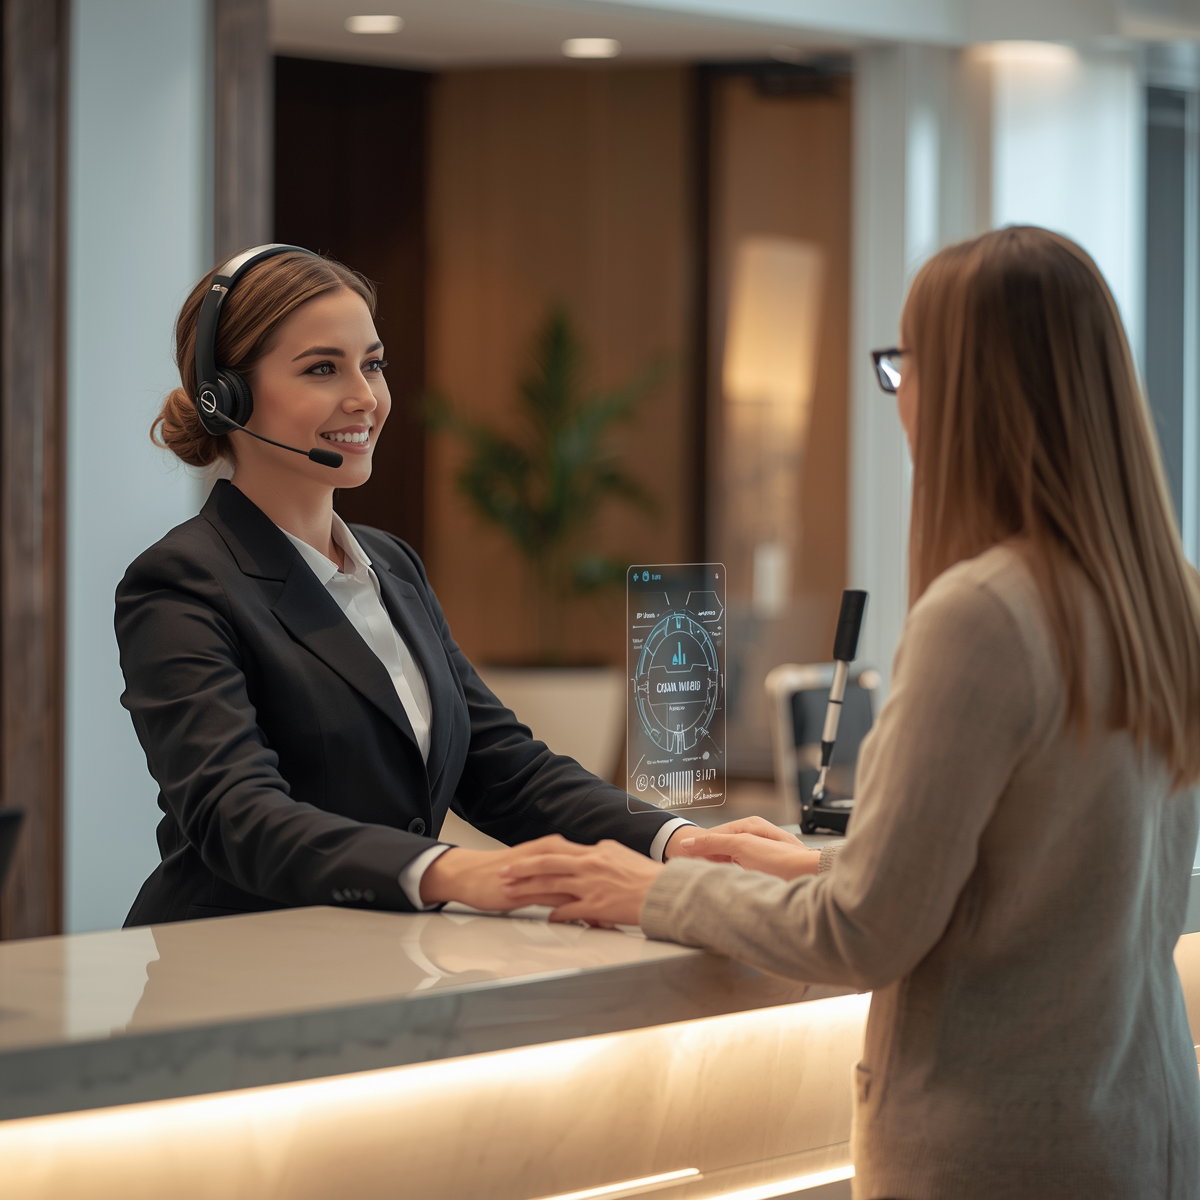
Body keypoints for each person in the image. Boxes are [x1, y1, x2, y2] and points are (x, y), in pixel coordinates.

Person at [501, 226, 1200, 1198]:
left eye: (904, 364)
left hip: (992, 1155)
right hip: (1142, 1134)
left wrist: (651, 892)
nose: (899, 394)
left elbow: (864, 936)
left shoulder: (985, 614)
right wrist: (815, 862)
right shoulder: (1172, 598)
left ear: (963, 387)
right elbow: (1054, 878)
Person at [117, 243, 708, 927]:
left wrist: (681, 843)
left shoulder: (391, 565)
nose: (365, 398)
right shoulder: (181, 583)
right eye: (321, 369)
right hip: (231, 972)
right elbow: (237, 816)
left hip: (384, 961)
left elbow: (504, 769)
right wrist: (453, 869)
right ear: (229, 398)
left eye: (372, 364)